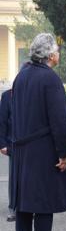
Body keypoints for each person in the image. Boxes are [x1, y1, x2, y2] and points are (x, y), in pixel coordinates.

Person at [11, 33, 66, 231]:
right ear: (49, 55)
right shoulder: (50, 79)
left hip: (23, 148)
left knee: (24, 201)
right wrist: (63, 153)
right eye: (56, 49)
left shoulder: (21, 76)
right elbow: (59, 121)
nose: (58, 53)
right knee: (43, 201)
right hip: (43, 148)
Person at [0, 89, 15, 222]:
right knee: (14, 177)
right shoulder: (7, 96)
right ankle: (13, 209)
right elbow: (2, 120)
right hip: (13, 143)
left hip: (32, 144)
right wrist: (2, 143)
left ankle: (28, 206)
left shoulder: (34, 93)